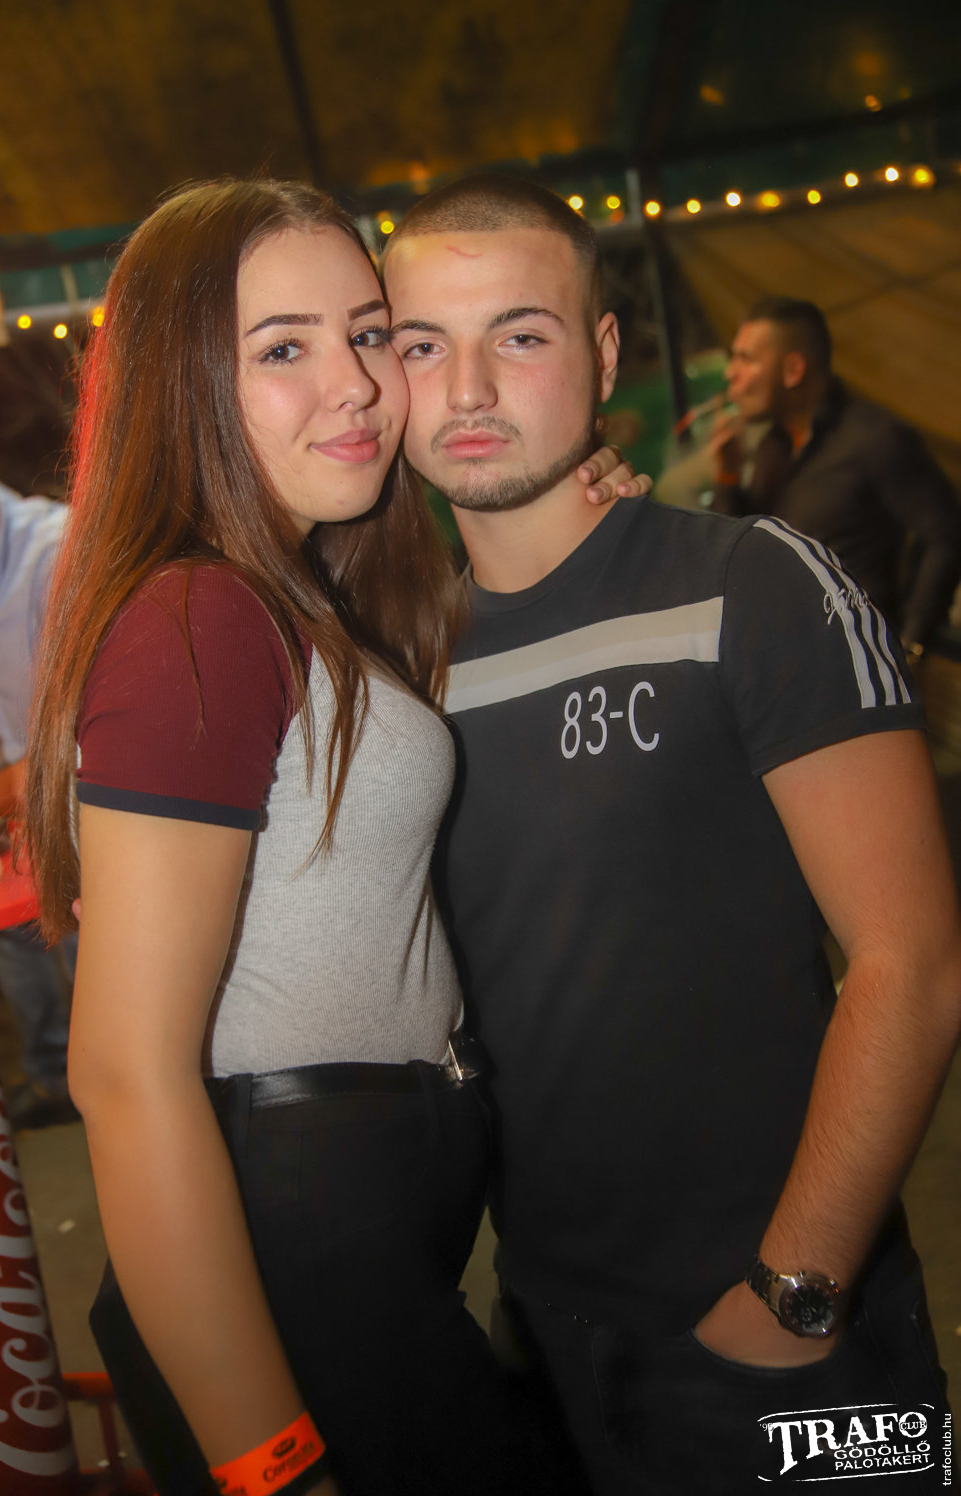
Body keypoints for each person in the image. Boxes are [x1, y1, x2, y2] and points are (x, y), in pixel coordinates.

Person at [24, 178, 640, 1496]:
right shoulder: (201, 618)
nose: (355, 383)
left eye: (368, 334)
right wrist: (272, 1463)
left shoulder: (298, 596)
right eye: (282, 349)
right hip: (286, 1247)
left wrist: (566, 510)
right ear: (184, 384)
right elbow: (124, 1074)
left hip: (355, 1236)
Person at [381, 175, 961, 1494]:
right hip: (544, 1334)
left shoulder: (751, 584)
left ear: (601, 355)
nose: (467, 387)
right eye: (422, 344)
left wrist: (795, 1289)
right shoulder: (400, 672)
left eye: (519, 334)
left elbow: (914, 964)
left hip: (794, 1332)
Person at [708, 296, 961, 665]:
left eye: (745, 359)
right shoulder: (773, 447)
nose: (731, 373)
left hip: (861, 662)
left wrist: (911, 644)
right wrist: (727, 475)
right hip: (794, 660)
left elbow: (945, 533)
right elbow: (744, 552)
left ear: (793, 370)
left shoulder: (873, 438)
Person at [0, 437, 78, 1129]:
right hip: (0, 856)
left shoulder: (61, 555)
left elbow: (91, 742)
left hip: (97, 837)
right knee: (6, 936)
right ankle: (51, 1079)